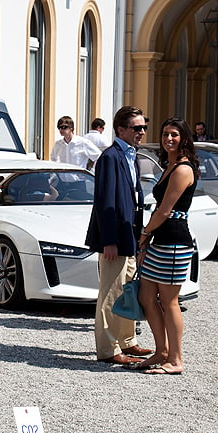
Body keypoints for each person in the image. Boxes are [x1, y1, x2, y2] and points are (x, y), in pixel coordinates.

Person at [129, 118, 199, 375]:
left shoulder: (183, 169)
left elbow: (165, 210)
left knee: (169, 301)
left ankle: (176, 360)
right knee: (146, 296)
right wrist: (149, 236)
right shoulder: (170, 165)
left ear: (184, 139)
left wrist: (145, 234)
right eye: (165, 134)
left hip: (175, 241)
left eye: (174, 135)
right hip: (161, 239)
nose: (169, 138)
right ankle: (162, 351)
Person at [84, 105, 154, 364]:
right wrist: (109, 240)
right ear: (121, 129)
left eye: (144, 127)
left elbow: (134, 198)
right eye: (137, 128)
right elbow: (105, 202)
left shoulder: (131, 155)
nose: (142, 132)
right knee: (110, 294)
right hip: (115, 238)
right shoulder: (110, 157)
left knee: (127, 291)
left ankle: (127, 341)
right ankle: (108, 350)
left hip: (130, 235)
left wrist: (138, 236)